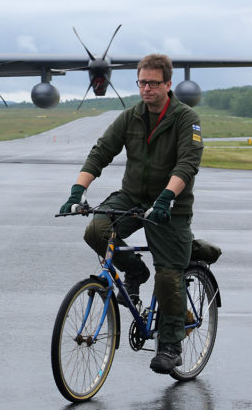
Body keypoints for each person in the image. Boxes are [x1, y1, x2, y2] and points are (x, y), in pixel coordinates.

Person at [60, 54, 204, 374]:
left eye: (154, 83)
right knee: (96, 231)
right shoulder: (131, 117)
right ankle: (135, 272)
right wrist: (77, 190)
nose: (147, 89)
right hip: (133, 197)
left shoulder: (186, 118)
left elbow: (187, 163)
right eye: (142, 82)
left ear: (168, 84)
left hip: (172, 205)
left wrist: (167, 196)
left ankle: (170, 343)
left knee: (168, 273)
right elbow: (101, 151)